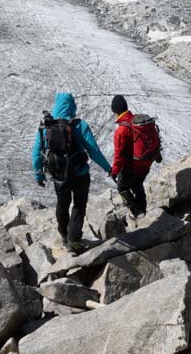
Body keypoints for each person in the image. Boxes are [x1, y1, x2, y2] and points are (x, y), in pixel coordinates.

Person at [32, 91, 113, 252]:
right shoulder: (79, 125)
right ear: (72, 105)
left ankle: (64, 235)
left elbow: (36, 153)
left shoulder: (45, 126)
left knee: (62, 204)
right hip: (80, 174)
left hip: (59, 176)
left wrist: (39, 174)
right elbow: (94, 151)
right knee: (79, 205)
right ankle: (74, 240)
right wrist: (108, 168)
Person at [108, 93, 162, 216]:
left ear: (114, 110)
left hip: (133, 166)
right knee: (137, 184)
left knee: (122, 188)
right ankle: (142, 208)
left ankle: (136, 211)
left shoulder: (121, 130)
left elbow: (119, 155)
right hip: (147, 162)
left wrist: (114, 172)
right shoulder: (138, 121)